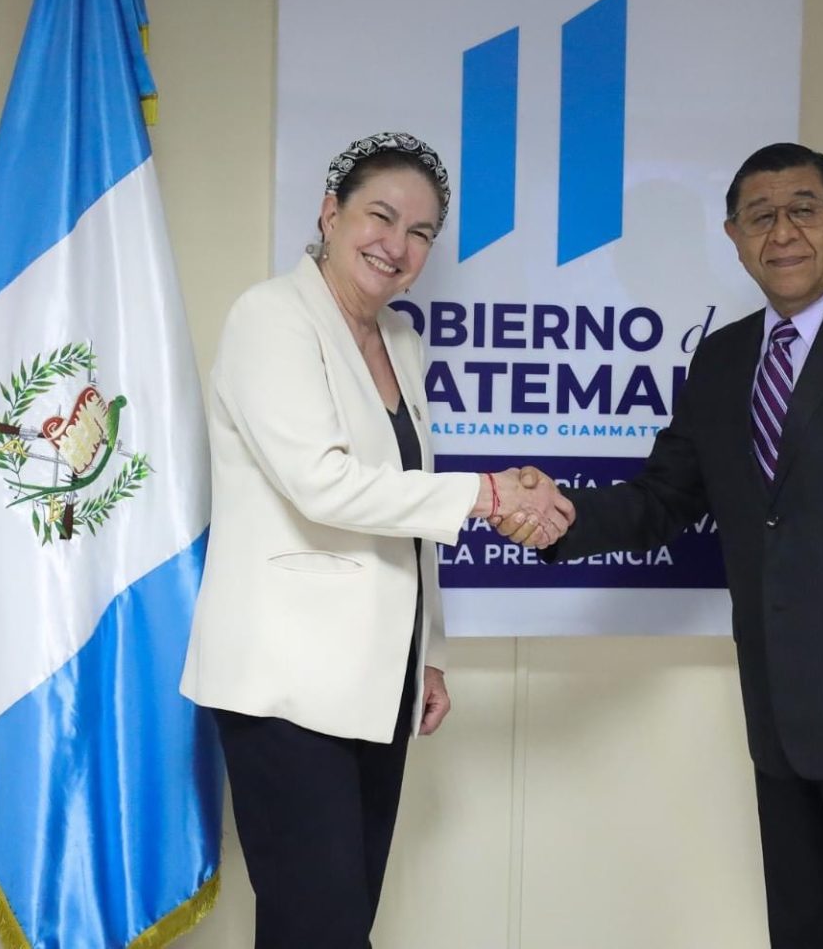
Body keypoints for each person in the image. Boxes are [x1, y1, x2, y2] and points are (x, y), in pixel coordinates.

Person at [500, 142, 823, 948]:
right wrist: (558, 516)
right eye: (760, 216)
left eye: (803, 209)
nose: (783, 231)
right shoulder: (724, 357)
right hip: (779, 720)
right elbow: (664, 498)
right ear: (734, 238)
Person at [180, 132, 572, 948]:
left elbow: (403, 507)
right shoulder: (270, 317)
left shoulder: (401, 340)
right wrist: (488, 493)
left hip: (376, 679)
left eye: (421, 232)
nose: (397, 245)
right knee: (320, 928)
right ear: (331, 213)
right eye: (381, 216)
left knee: (335, 921)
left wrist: (428, 651)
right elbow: (321, 483)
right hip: (285, 685)